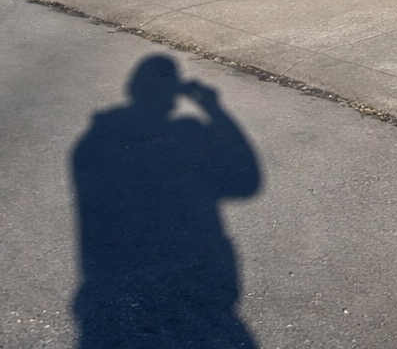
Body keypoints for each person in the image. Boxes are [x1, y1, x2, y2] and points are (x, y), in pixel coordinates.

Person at [71, 54, 262, 348]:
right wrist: (213, 107)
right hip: (193, 275)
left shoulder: (90, 143)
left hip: (114, 281)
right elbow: (246, 181)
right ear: (174, 94)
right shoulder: (187, 134)